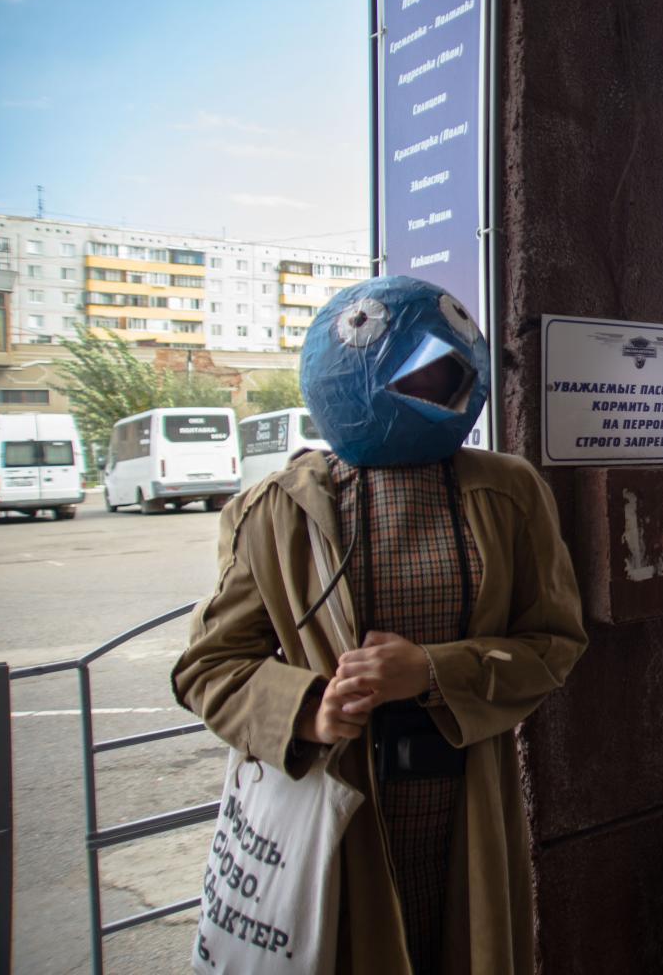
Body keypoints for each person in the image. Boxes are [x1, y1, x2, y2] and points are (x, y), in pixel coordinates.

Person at [172, 276, 588, 975]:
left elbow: (554, 644)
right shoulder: (273, 511)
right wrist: (308, 709)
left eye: (447, 374)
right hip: (336, 820)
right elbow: (208, 669)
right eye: (415, 372)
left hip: (466, 813)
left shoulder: (510, 491)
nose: (433, 388)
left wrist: (431, 671)